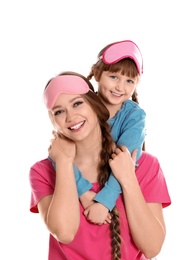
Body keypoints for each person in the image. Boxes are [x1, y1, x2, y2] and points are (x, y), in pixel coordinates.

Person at [29, 71, 171, 260]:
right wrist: (63, 162)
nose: (71, 116)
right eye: (59, 111)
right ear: (53, 122)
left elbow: (152, 247)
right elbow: (65, 232)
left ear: (95, 106)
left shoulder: (146, 165)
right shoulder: (42, 172)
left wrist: (127, 177)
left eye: (77, 103)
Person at [55, 40, 146, 224]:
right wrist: (84, 193)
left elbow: (125, 162)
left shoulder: (135, 116)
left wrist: (104, 202)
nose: (120, 87)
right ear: (97, 73)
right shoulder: (81, 108)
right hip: (85, 186)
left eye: (129, 81)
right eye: (114, 77)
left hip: (119, 188)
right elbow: (59, 153)